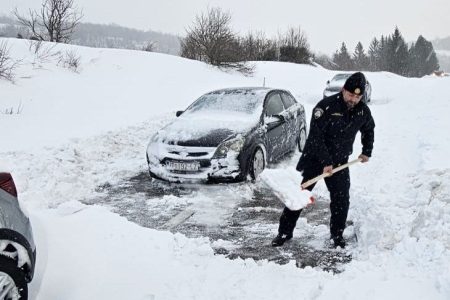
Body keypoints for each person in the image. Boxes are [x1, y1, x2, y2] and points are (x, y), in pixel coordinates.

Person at [272, 72, 375, 248]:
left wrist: (367, 150)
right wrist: (326, 161)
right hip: (314, 159)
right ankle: (284, 233)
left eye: (358, 97)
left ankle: (337, 235)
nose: (353, 99)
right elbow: (315, 138)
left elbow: (369, 129)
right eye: (351, 95)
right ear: (343, 90)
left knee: (341, 200)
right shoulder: (325, 107)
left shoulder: (362, 111)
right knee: (298, 195)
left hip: (340, 162)